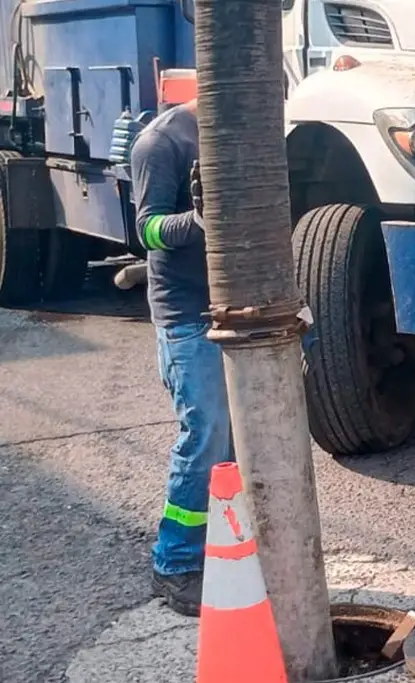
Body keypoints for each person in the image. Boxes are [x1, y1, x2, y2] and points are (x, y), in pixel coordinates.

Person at [130, 99, 232, 616]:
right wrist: (197, 221)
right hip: (187, 317)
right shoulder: (160, 144)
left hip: (232, 308)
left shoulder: (241, 138)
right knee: (207, 436)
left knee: (237, 443)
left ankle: (226, 551)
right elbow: (145, 229)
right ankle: (174, 564)